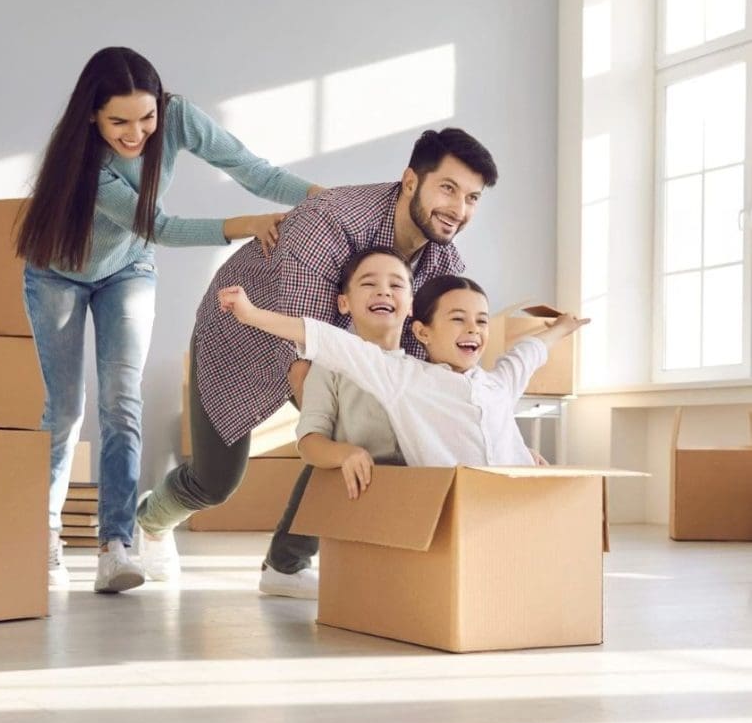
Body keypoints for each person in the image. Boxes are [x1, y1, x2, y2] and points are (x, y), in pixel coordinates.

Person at [135, 127, 499, 592]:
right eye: (447, 189)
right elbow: (304, 350)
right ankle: (150, 518)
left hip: (334, 349)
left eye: (472, 198)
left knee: (367, 431)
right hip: (244, 332)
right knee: (215, 481)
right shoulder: (327, 222)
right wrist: (339, 438)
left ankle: (284, 566)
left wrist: (498, 436)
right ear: (411, 181)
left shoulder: (445, 263)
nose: (458, 210)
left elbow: (441, 366)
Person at [15, 46, 319, 593]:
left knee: (122, 401)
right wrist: (242, 224)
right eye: (119, 123)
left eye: (147, 117)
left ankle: (116, 547)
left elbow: (250, 168)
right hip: (58, 273)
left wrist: (323, 199)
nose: (137, 134)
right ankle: (43, 539)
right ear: (91, 115)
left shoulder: (177, 119)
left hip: (127, 269)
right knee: (65, 410)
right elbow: (157, 225)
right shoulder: (87, 163)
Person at [217, 275, 588, 468]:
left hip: (520, 499)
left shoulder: (496, 384)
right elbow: (330, 342)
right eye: (458, 319)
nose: (473, 329)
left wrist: (561, 327)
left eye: (480, 321)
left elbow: (528, 352)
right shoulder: (404, 379)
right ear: (423, 331)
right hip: (460, 507)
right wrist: (252, 315)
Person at [260, 247, 410, 599]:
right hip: (351, 475)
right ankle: (285, 564)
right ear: (344, 304)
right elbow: (310, 441)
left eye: (396, 285)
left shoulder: (423, 370)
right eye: (369, 284)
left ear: (412, 304)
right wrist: (344, 453)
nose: (384, 292)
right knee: (324, 464)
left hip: (407, 484)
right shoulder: (330, 366)